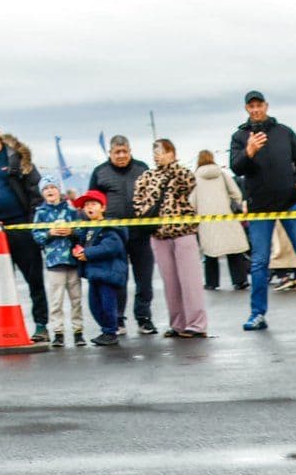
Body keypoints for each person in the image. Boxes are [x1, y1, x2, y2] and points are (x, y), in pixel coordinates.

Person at [227, 90, 296, 331]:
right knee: (259, 262)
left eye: (259, 105)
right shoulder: (240, 136)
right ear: (247, 109)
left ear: (266, 106)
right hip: (260, 206)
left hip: (290, 201)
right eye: (251, 106)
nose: (256, 110)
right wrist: (249, 151)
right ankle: (257, 314)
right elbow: (236, 168)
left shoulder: (284, 132)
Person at [0, 120, 49, 340]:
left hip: (20, 227)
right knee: (1, 282)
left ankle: (41, 325)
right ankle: (10, 328)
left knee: (34, 279)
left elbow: (36, 192)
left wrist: (32, 223)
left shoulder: (17, 159)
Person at [134, 139, 208, 338]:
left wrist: (172, 167)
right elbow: (138, 200)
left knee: (190, 281)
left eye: (162, 151)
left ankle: (197, 324)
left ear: (172, 153)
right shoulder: (146, 177)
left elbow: (189, 184)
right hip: (159, 234)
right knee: (170, 283)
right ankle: (177, 323)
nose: (158, 155)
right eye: (155, 151)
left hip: (183, 232)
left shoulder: (181, 172)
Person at [87, 136, 156, 334]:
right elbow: (92, 202)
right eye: (117, 152)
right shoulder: (100, 172)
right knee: (118, 278)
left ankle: (144, 318)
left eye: (124, 151)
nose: (121, 155)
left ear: (130, 150)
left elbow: (153, 196)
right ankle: (118, 318)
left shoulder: (142, 168)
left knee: (144, 278)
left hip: (140, 233)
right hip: (113, 236)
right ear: (110, 153)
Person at [71, 189, 131, 347]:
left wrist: (88, 253)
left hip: (108, 273)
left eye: (93, 204)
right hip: (94, 273)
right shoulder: (88, 228)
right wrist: (78, 250)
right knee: (94, 305)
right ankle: (106, 330)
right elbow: (85, 244)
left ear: (103, 207)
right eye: (86, 205)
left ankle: (111, 331)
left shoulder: (109, 227)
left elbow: (111, 247)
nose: (89, 207)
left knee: (107, 304)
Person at [33, 180, 85, 347]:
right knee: (56, 300)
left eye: (53, 187)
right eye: (46, 188)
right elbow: (36, 235)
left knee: (76, 299)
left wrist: (71, 232)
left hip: (72, 261)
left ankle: (78, 332)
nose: (50, 191)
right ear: (42, 193)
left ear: (59, 190)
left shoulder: (70, 210)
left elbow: (81, 230)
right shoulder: (40, 212)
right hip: (53, 262)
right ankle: (58, 332)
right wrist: (49, 233)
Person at [192, 150, 251, 293]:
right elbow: (236, 194)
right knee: (233, 250)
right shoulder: (222, 174)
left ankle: (212, 282)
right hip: (226, 217)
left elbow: (192, 201)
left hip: (207, 220)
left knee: (211, 253)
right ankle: (240, 281)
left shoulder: (194, 178)